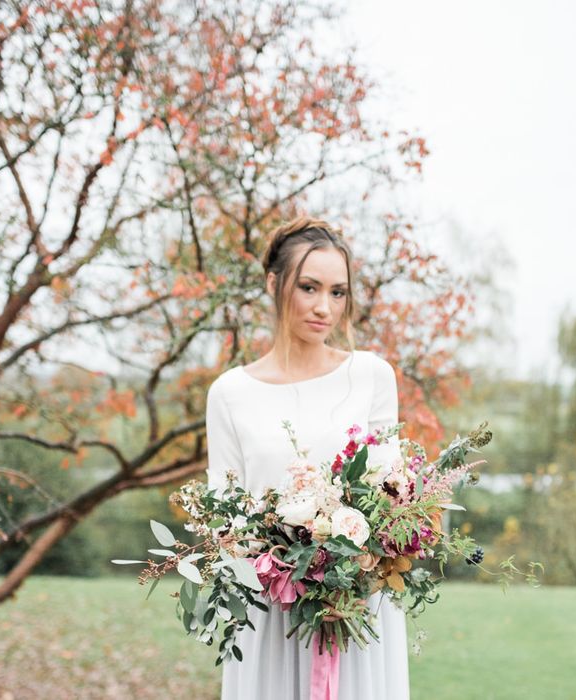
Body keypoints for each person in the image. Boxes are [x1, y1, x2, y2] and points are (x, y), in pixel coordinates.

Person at [205, 217, 410, 700]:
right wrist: (281, 557)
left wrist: (348, 564)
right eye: (309, 287)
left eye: (338, 293)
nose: (324, 307)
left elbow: (392, 494)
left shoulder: (371, 376)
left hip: (354, 612)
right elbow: (223, 515)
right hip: (270, 615)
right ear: (274, 284)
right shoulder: (230, 393)